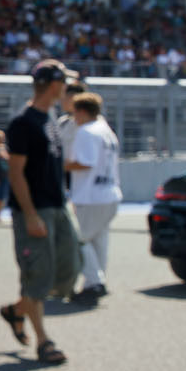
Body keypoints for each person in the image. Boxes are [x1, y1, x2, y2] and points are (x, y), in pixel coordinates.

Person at [0, 60, 79, 365]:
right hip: (34, 211)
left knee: (68, 271)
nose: (67, 88)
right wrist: (31, 215)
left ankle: (16, 310)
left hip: (57, 206)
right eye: (64, 82)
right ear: (54, 84)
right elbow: (16, 173)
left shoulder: (50, 117)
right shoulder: (24, 122)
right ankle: (44, 342)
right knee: (37, 275)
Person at [65, 92, 121, 303]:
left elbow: (85, 162)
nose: (73, 118)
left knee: (77, 240)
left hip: (90, 195)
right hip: (109, 193)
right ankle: (96, 281)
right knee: (99, 240)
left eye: (74, 113)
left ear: (81, 111)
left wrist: (60, 165)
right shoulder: (106, 130)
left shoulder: (86, 132)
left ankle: (95, 282)